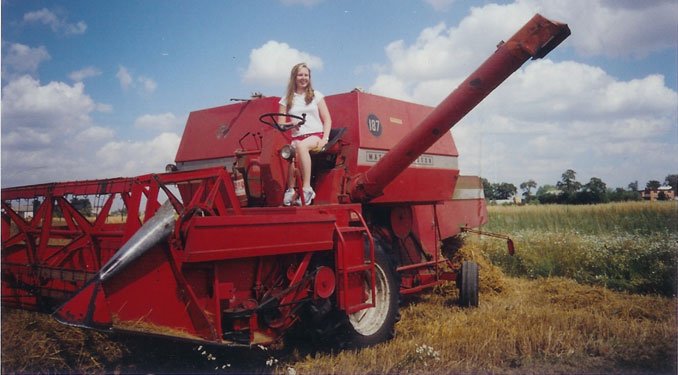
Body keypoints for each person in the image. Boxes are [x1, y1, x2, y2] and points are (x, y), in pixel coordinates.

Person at [278, 63, 332, 205]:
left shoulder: (316, 96)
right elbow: (281, 123)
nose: (303, 78)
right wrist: (292, 124)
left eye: (306, 75)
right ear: (294, 77)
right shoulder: (286, 99)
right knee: (290, 152)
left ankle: (307, 188)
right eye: (300, 75)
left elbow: (327, 119)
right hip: (297, 136)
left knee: (301, 147)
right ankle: (290, 189)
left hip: (315, 135)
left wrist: (324, 139)